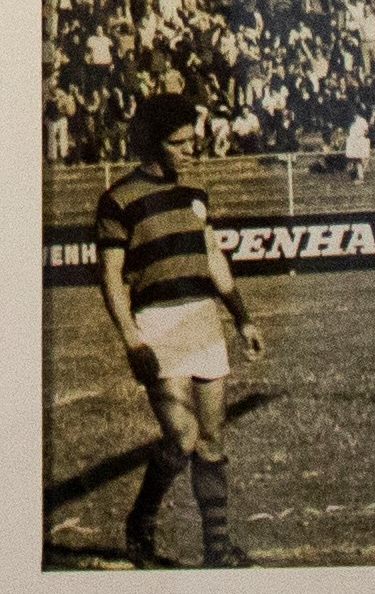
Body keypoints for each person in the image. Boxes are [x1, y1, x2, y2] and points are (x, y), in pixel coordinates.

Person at [94, 93, 265, 569]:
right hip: (158, 324)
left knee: (211, 440)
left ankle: (217, 550)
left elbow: (213, 257)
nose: (190, 150)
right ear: (152, 143)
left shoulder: (195, 191)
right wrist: (133, 341)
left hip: (203, 318)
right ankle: (141, 522)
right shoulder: (118, 201)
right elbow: (110, 278)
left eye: (192, 140)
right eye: (179, 143)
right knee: (182, 436)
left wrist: (242, 316)